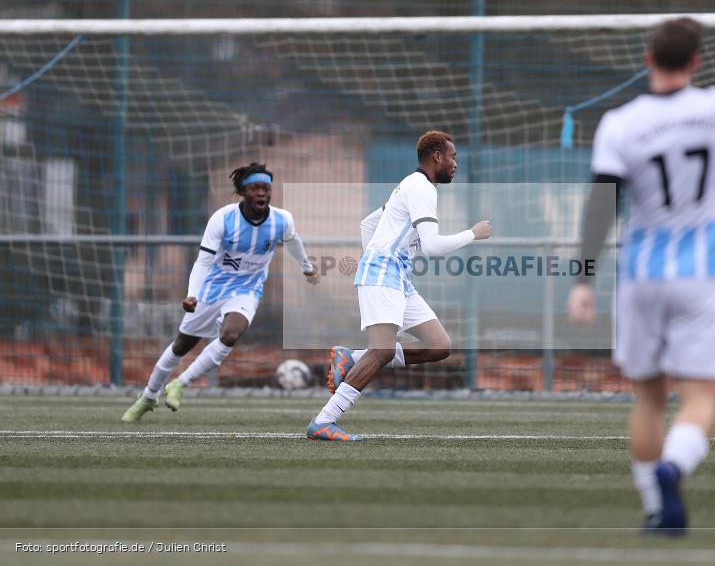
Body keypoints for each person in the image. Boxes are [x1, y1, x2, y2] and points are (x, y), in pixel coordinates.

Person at [567, 3, 715, 533]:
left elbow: (602, 203)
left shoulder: (620, 123)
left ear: (648, 57)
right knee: (698, 396)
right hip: (703, 277)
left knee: (649, 398)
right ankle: (674, 468)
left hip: (644, 278)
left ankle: (658, 508)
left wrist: (582, 278)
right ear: (697, 62)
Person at [306, 130, 492, 441]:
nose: (455, 163)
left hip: (397, 279)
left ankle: (351, 357)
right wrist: (473, 234)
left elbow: (368, 224)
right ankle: (324, 420)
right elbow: (431, 246)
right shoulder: (420, 188)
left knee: (438, 345)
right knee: (380, 351)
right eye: (453, 156)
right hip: (385, 276)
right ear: (437, 157)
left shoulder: (409, 185)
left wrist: (380, 258)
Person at [121, 163, 320, 422]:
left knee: (231, 334)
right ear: (242, 192)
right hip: (212, 289)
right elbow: (203, 262)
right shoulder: (223, 219)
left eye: (266, 188)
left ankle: (180, 384)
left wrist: (307, 268)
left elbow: (294, 241)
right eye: (254, 188)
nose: (261, 193)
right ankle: (148, 397)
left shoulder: (282, 220)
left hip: (248, 289)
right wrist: (192, 294)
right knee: (181, 345)